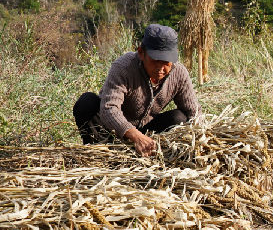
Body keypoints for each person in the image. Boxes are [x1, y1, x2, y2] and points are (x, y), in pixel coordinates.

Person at [73, 24, 200, 156]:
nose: (161, 68)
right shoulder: (123, 67)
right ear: (141, 53)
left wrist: (202, 140)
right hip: (111, 131)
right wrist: (135, 136)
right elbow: (109, 108)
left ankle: (154, 153)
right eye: (155, 61)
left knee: (179, 118)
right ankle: (94, 151)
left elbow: (193, 111)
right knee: (86, 102)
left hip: (148, 130)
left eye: (166, 62)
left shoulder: (179, 73)